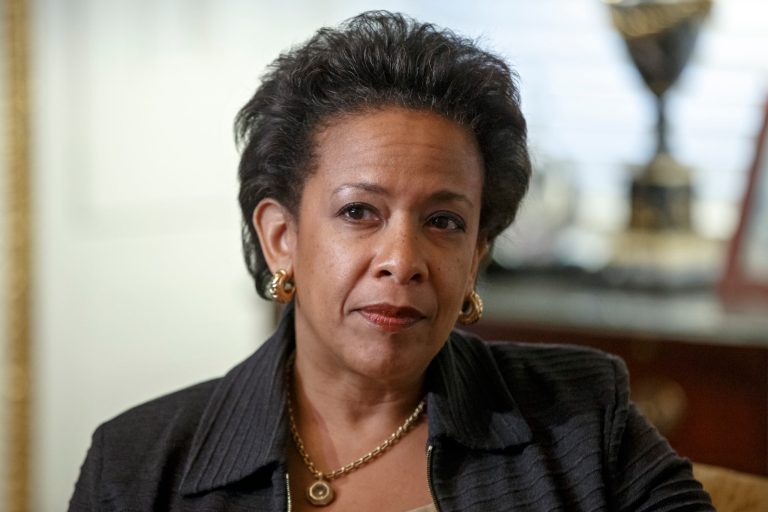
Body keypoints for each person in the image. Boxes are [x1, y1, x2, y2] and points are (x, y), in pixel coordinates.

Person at [69, 11, 714, 511]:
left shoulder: (581, 421)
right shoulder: (138, 467)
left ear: (475, 257)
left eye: (443, 222)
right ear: (281, 237)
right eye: (359, 213)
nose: (402, 261)